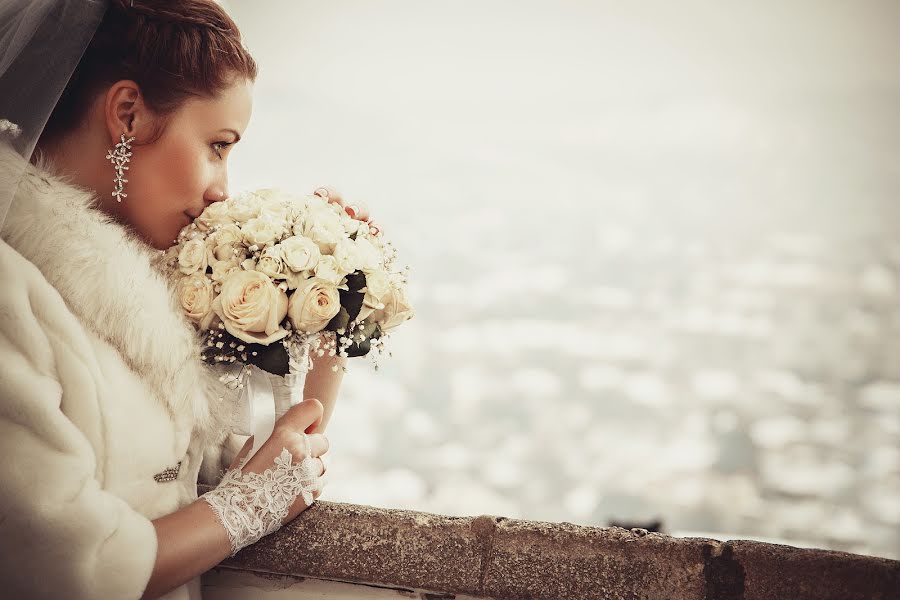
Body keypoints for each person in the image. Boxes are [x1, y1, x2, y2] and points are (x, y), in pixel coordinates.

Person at [0, 1, 362, 598]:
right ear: (128, 114)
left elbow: (261, 466)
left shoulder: (150, 288)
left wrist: (338, 306)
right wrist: (243, 509)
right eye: (218, 145)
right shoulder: (12, 294)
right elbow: (62, 571)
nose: (224, 190)